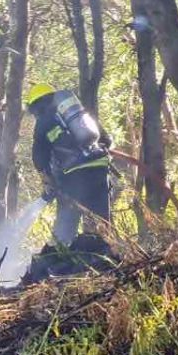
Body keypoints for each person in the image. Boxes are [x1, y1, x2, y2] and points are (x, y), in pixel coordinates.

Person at [26, 83, 112, 246]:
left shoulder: (44, 121)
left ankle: (59, 258)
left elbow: (39, 157)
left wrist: (48, 180)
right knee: (100, 222)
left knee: (65, 227)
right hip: (100, 168)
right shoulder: (80, 115)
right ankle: (101, 257)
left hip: (74, 177)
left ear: (36, 106)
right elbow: (106, 140)